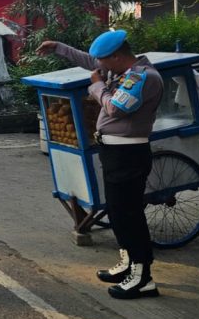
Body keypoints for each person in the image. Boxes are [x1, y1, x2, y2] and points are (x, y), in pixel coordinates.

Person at [38, 31, 163, 300]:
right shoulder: (120, 70)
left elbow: (117, 107)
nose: (99, 66)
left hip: (129, 154)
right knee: (117, 212)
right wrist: (59, 47)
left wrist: (96, 87)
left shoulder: (143, 77)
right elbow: (89, 60)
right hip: (115, 152)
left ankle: (143, 277)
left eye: (104, 61)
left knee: (129, 215)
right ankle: (128, 262)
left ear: (116, 56)